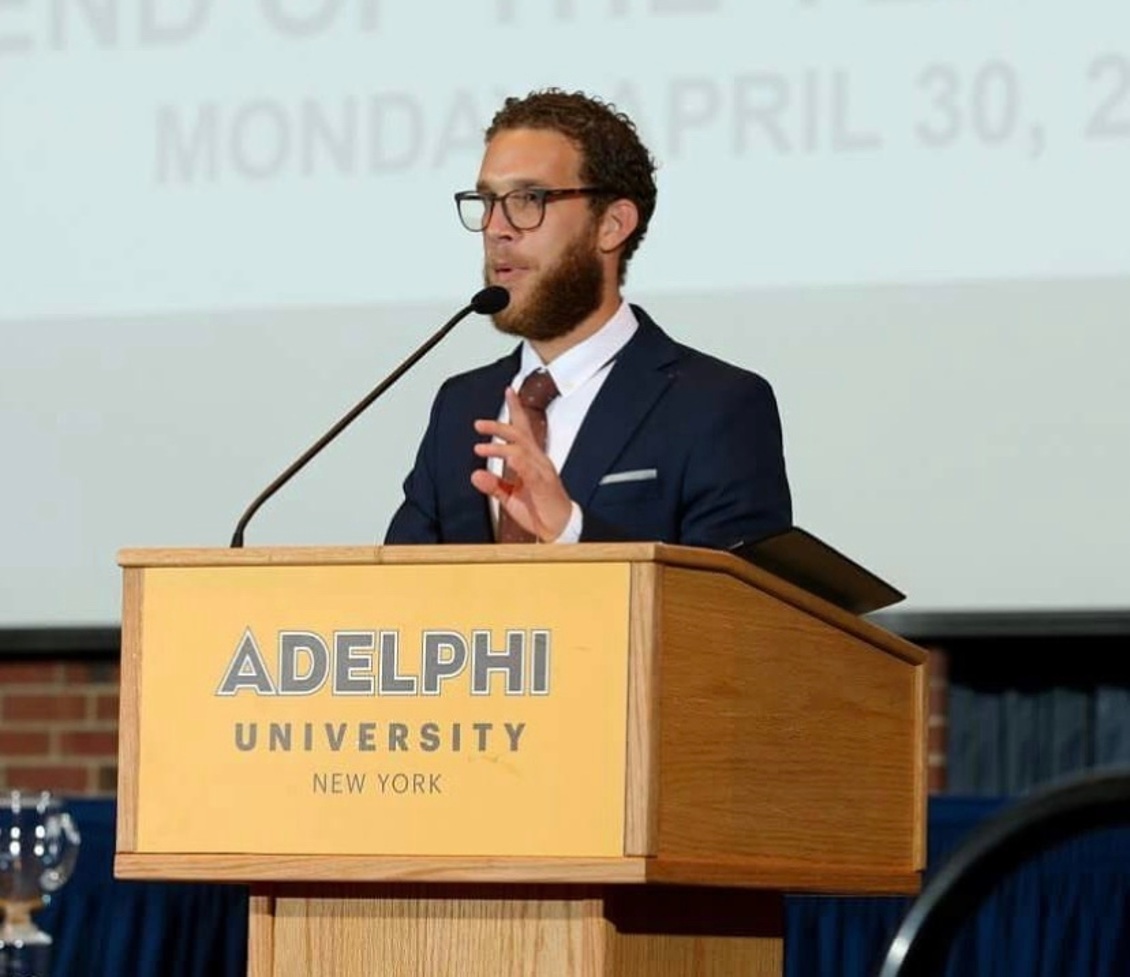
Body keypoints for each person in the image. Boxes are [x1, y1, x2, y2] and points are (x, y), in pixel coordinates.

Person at [384, 89, 791, 548]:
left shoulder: (715, 407)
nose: (497, 227)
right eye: (488, 201)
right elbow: (398, 596)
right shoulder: (459, 407)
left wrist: (569, 532)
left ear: (612, 225)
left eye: (528, 198)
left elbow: (734, 609)